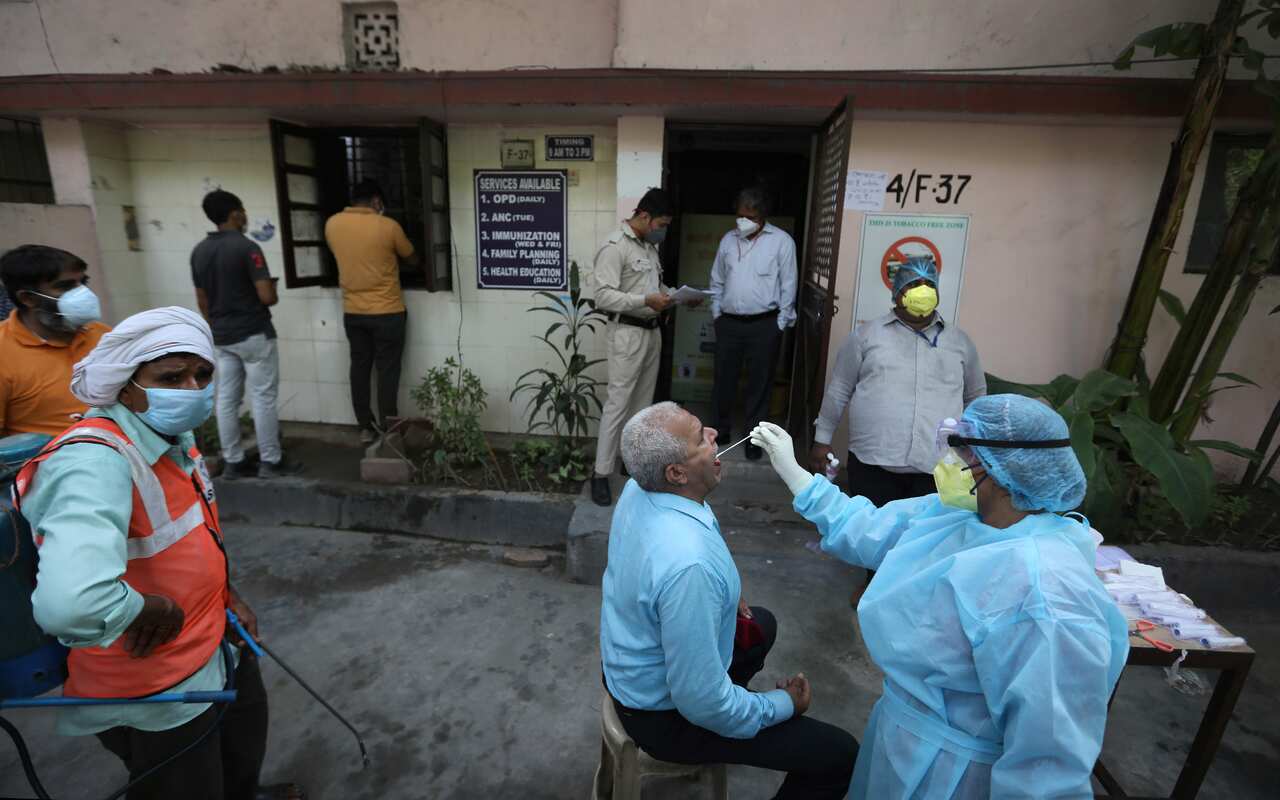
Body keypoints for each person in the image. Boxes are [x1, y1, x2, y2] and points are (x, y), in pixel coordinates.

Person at [749, 394, 1129, 799]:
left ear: (1000, 469)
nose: (950, 461)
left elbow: (1048, 760)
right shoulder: (955, 516)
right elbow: (867, 528)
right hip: (901, 739)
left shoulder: (1046, 592)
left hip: (958, 776)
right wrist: (794, 473)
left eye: (962, 448)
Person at [13, 307, 304, 800]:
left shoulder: (170, 437)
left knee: (241, 751)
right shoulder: (94, 461)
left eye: (202, 374)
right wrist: (149, 607)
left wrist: (223, 595)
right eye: (171, 377)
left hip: (213, 641)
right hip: (158, 686)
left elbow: (186, 535)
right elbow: (72, 604)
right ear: (126, 387)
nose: (192, 389)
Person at [600, 402, 858, 798]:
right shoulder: (690, 566)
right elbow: (700, 702)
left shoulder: (642, 486)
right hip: (664, 718)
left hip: (630, 667)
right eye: (699, 438)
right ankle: (736, 717)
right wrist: (781, 705)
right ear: (676, 473)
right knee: (839, 755)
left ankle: (737, 707)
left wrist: (728, 590)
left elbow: (697, 544)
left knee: (761, 625)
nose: (714, 436)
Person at [588, 188, 701, 506]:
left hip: (652, 333)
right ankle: (600, 473)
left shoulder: (650, 248)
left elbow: (655, 288)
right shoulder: (616, 246)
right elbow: (603, 296)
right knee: (618, 405)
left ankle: (630, 462)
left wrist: (677, 296)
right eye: (661, 224)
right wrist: (644, 301)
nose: (663, 231)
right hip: (626, 334)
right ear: (643, 216)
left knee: (641, 407)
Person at [191, 190, 299, 479]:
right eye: (242, 209)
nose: (245, 215)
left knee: (226, 399)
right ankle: (270, 461)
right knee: (263, 397)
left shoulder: (200, 251)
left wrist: (216, 326)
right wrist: (271, 290)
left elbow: (202, 298)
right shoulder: (246, 247)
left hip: (223, 337)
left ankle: (233, 462)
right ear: (235, 214)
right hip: (253, 333)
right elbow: (266, 296)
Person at [324, 179, 419, 444]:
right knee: (388, 369)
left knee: (360, 367)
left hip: (353, 311)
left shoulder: (332, 224)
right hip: (388, 310)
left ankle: (365, 426)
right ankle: (389, 423)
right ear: (377, 202)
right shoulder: (387, 226)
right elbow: (411, 257)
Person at [709, 186, 798, 460]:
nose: (741, 221)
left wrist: (780, 323)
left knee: (760, 384)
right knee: (724, 379)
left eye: (747, 216)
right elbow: (717, 279)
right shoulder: (728, 240)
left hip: (764, 324)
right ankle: (720, 430)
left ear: (761, 216)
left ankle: (753, 438)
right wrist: (717, 315)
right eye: (739, 215)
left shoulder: (781, 242)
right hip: (729, 323)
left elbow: (788, 284)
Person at [0, 245, 110, 437]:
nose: (82, 293)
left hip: (120, 450)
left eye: (83, 282)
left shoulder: (103, 335)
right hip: (47, 463)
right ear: (28, 298)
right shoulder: (4, 353)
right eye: (66, 286)